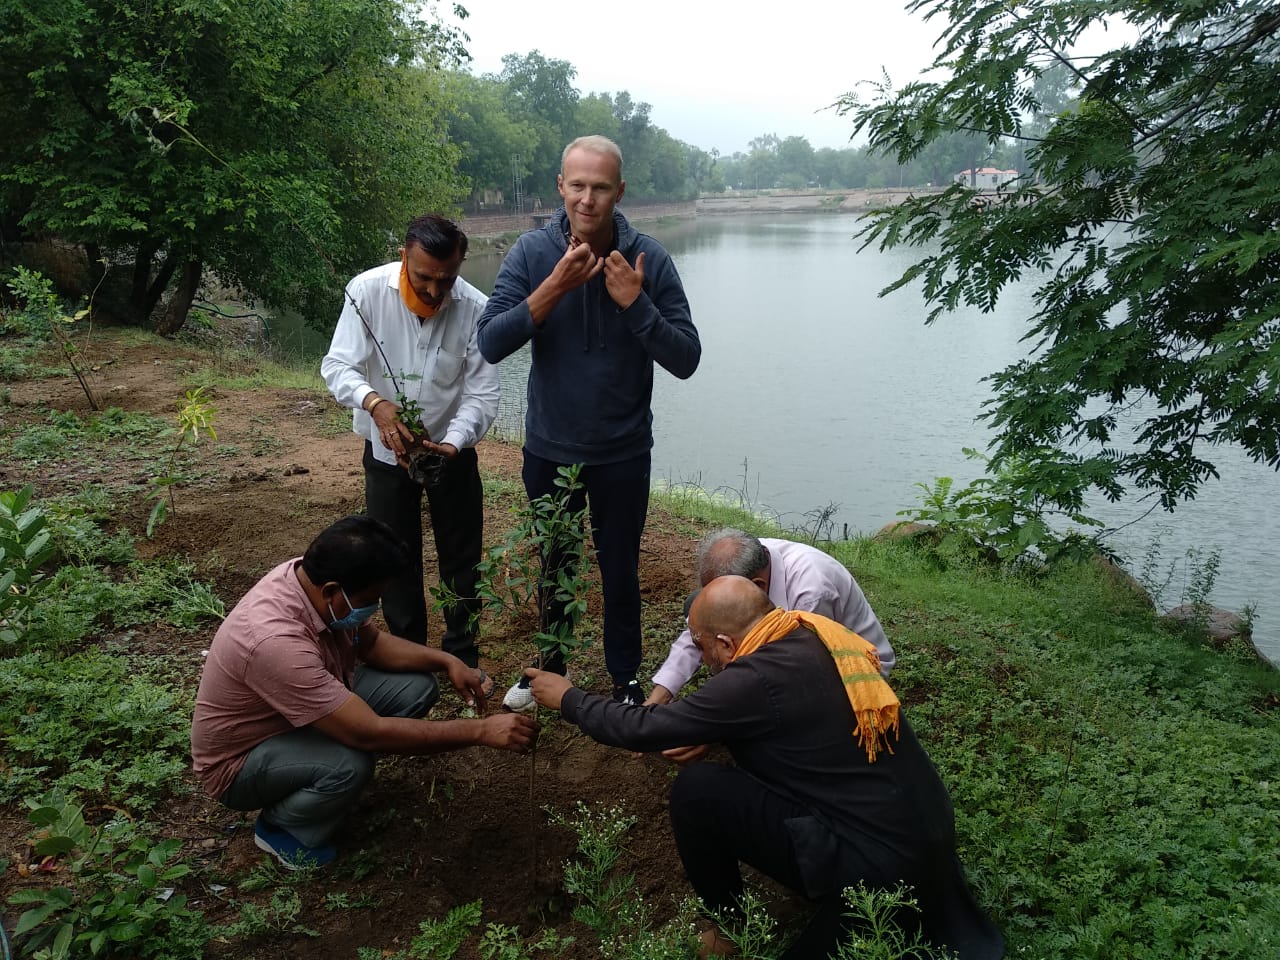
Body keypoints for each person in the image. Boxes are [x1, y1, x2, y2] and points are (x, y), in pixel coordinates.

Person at [526, 576, 1003, 960]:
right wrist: (720, 728)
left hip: (877, 870)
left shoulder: (752, 678)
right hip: (927, 841)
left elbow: (641, 728)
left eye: (701, 646)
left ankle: (732, 927)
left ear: (726, 643)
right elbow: (792, 717)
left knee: (698, 792)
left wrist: (568, 698)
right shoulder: (812, 633)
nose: (704, 658)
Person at [477, 135, 700, 709]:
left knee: (620, 570)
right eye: (577, 185)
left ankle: (624, 677)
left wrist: (635, 303)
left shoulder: (650, 257)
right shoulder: (530, 253)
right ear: (561, 186)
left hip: (623, 452)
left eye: (601, 187)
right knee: (555, 563)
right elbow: (490, 343)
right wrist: (554, 286)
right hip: (549, 448)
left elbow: (686, 359)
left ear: (619, 191)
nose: (588, 199)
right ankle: (548, 668)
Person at [191, 516, 536, 870]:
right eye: (371, 599)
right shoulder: (274, 642)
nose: (374, 607)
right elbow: (369, 733)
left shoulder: (308, 580)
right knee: (351, 761)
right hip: (242, 762)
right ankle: (284, 826)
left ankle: (319, 774)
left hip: (297, 711)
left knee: (416, 687)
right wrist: (481, 730)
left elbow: (370, 644)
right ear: (331, 591)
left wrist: (447, 661)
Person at [322, 214, 497, 670]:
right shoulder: (365, 292)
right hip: (385, 453)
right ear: (405, 257)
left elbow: (482, 394)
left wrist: (454, 443)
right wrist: (375, 404)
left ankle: (463, 652)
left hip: (451, 454)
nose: (436, 292)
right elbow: (338, 367)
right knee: (392, 556)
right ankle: (411, 651)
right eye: (424, 277)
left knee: (463, 557)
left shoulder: (477, 308)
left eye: (447, 279)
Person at [646, 528, 896, 706]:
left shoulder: (811, 591)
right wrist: (662, 693)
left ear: (758, 584)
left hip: (850, 668)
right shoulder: (747, 558)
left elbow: (798, 670)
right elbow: (701, 629)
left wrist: (713, 727)